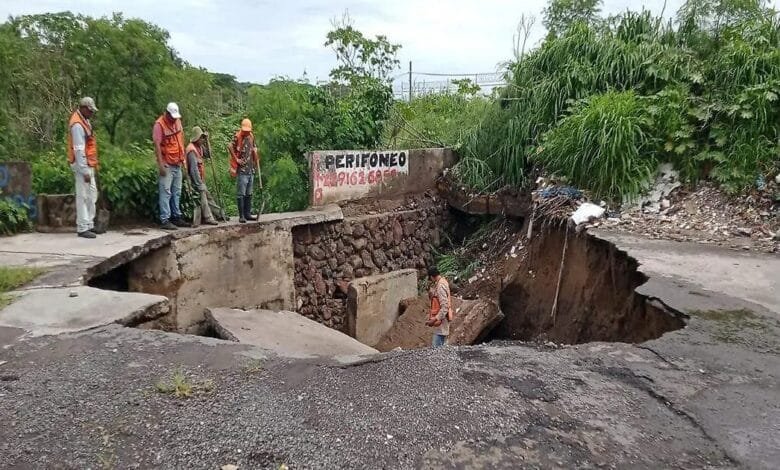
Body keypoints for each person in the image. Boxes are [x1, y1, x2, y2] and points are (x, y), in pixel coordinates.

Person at [67, 97, 102, 239]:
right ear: (83, 108)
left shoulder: (85, 121)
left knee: (92, 195)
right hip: (82, 165)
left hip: (89, 163)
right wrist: (84, 170)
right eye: (90, 110)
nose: (92, 113)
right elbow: (79, 149)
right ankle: (82, 227)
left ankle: (89, 224)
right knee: (83, 196)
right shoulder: (77, 125)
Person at [153, 102, 190, 231]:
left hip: (178, 162)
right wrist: (161, 164)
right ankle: (165, 219)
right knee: (166, 192)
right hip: (167, 163)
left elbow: (181, 142)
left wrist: (184, 161)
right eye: (172, 116)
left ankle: (176, 216)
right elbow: (157, 145)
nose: (174, 119)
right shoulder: (159, 125)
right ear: (167, 113)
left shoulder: (178, 122)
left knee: (177, 192)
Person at [185, 126, 223, 226]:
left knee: (209, 197)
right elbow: (193, 170)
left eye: (203, 138)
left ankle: (220, 214)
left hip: (201, 178)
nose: (202, 139)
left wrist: (207, 141)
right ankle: (208, 217)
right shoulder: (191, 150)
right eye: (201, 138)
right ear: (196, 138)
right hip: (194, 180)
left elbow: (209, 155)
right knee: (203, 196)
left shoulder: (200, 147)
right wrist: (199, 184)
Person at [228, 118, 260, 223]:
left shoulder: (251, 136)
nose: (246, 132)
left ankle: (247, 214)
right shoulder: (237, 136)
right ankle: (241, 215)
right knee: (241, 193)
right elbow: (229, 146)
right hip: (242, 170)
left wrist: (256, 158)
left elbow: (254, 149)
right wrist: (236, 159)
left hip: (250, 169)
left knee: (249, 193)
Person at [425, 266, 454, 348]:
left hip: (441, 323)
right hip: (442, 322)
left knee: (436, 350)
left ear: (431, 277)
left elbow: (444, 307)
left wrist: (434, 319)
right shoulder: (443, 281)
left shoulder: (440, 286)